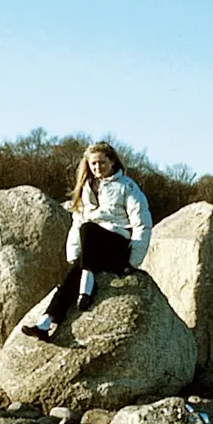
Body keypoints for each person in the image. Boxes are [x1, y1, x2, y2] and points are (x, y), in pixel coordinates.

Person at [22, 142, 152, 342]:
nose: (97, 167)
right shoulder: (87, 188)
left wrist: (132, 262)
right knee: (75, 266)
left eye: (101, 162)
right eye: (93, 164)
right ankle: (46, 322)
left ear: (112, 161)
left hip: (117, 247)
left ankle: (87, 287)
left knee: (89, 229)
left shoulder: (127, 187)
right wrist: (74, 255)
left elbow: (142, 223)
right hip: (93, 247)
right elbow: (77, 222)